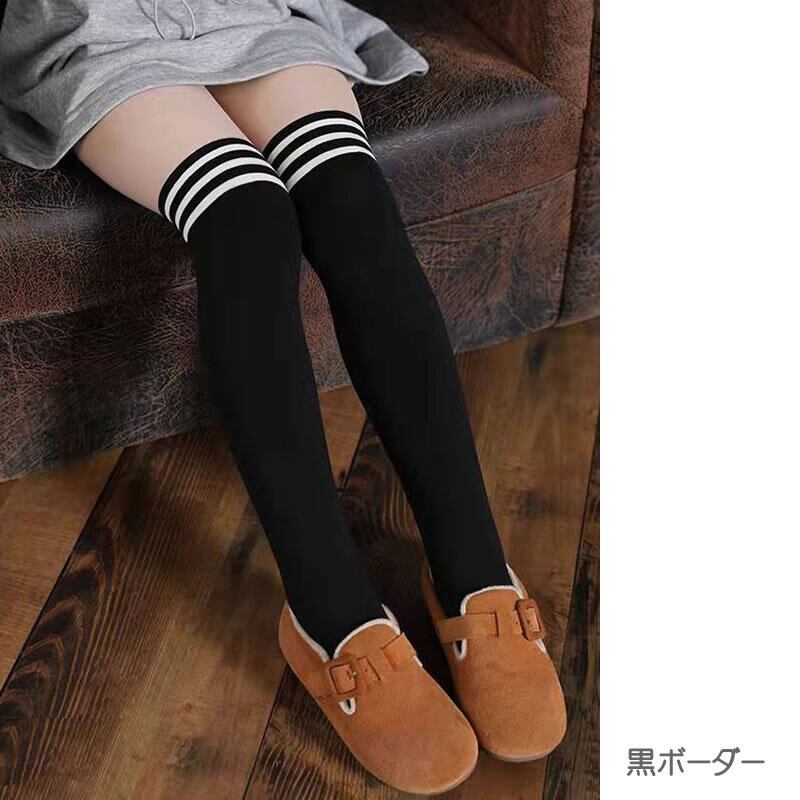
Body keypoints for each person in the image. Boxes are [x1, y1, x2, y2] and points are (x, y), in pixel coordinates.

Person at [0, 1, 566, 792]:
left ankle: (472, 567)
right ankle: (328, 613)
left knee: (350, 198)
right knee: (246, 216)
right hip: (95, 32)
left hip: (250, 11)